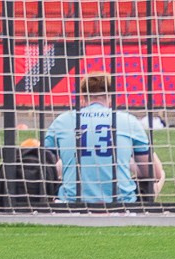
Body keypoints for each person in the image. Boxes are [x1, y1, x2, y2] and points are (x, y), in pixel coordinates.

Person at [41, 72, 162, 206]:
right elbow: (154, 174)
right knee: (160, 172)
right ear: (110, 96)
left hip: (71, 201)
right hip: (121, 202)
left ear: (83, 97)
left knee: (62, 167)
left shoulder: (62, 121)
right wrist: (128, 160)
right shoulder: (128, 120)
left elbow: (46, 169)